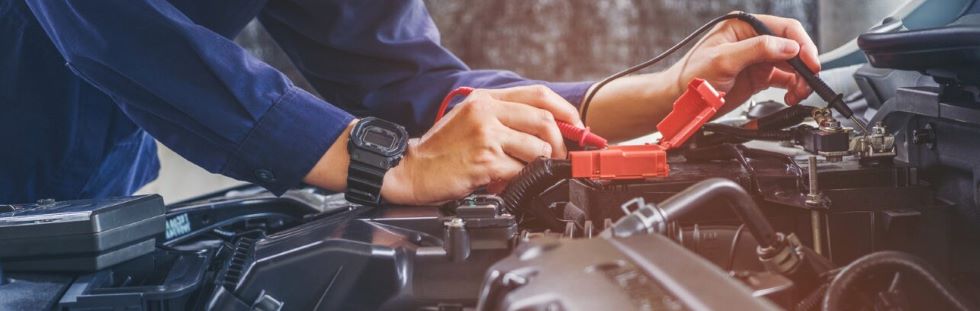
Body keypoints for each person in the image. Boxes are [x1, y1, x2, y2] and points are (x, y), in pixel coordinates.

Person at [0, 0, 818, 205]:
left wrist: (665, 92)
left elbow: (412, 80)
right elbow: (108, 25)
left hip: (89, 213)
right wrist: (382, 161)